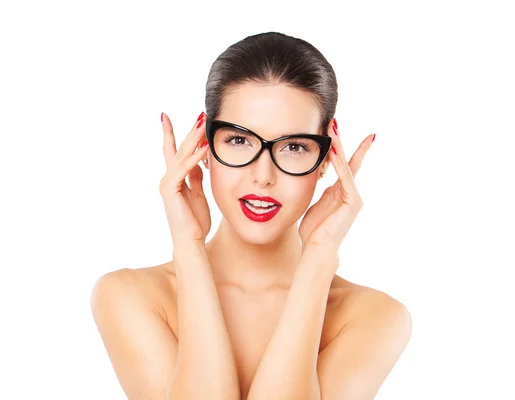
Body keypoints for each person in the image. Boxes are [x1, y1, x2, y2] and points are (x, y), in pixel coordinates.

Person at [91, 32, 412, 400]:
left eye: (294, 147)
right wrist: (189, 248)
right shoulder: (131, 297)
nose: (262, 176)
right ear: (204, 147)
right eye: (239, 140)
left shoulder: (374, 317)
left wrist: (319, 257)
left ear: (326, 159)